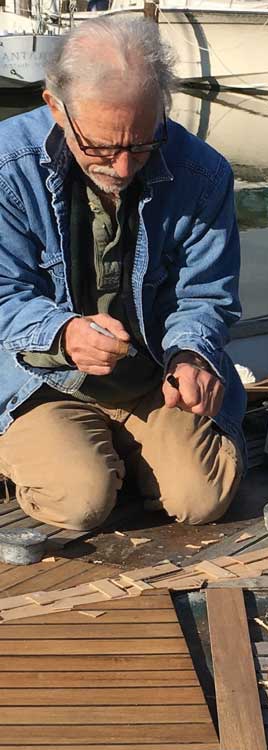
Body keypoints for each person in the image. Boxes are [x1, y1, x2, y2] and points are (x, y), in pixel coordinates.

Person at [0, 15, 246, 532]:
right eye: (100, 146)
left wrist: (191, 353)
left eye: (141, 143)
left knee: (202, 499)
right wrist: (63, 334)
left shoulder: (204, 173)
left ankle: (120, 448)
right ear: (55, 108)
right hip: (39, 380)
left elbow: (205, 294)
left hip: (153, 376)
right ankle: (60, 449)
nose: (122, 166)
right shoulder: (5, 167)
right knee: (80, 503)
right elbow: (4, 294)